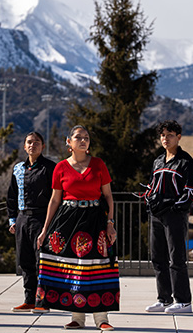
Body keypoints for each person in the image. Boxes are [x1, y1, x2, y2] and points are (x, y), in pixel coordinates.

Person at [36, 125, 119, 331]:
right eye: (78, 137)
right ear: (68, 142)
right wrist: (45, 229)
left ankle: (101, 318)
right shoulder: (61, 167)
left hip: (95, 220)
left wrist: (110, 223)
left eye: (86, 138)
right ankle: (77, 318)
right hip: (67, 220)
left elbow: (108, 196)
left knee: (97, 266)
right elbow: (54, 200)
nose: (83, 141)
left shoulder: (99, 165)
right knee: (73, 268)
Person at [144, 120, 193, 314]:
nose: (165, 139)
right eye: (163, 135)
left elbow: (190, 191)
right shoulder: (158, 161)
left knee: (176, 258)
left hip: (175, 216)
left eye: (170, 135)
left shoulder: (186, 162)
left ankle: (183, 301)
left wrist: (175, 207)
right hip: (157, 215)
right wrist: (150, 202)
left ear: (179, 137)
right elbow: (151, 186)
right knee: (158, 258)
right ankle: (164, 298)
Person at [7, 132, 56, 313]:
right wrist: (12, 219)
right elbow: (11, 196)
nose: (32, 145)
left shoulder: (50, 167)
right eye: (29, 142)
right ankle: (29, 299)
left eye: (36, 142)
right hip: (22, 219)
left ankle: (42, 302)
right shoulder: (18, 168)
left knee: (41, 260)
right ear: (24, 146)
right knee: (25, 260)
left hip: (41, 218)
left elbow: (56, 196)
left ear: (43, 146)